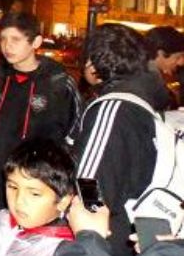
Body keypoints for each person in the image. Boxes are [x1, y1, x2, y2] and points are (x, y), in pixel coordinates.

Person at [74, 24, 168, 256]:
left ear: (93, 63)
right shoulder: (143, 101)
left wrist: (85, 229)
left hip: (108, 237)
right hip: (133, 231)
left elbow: (90, 183)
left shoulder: (112, 107)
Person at [0, 12, 82, 192]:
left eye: (16, 39)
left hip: (34, 183)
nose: (7, 46)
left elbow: (74, 134)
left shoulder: (58, 83)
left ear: (36, 42)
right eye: (3, 39)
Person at [0, 139, 76, 256]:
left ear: (63, 202)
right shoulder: (1, 222)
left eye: (34, 194)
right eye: (13, 187)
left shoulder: (62, 250)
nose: (19, 201)